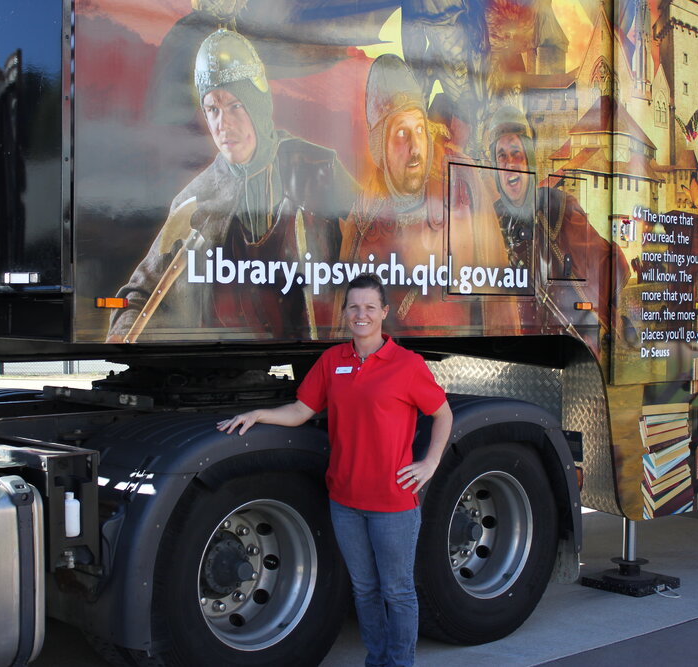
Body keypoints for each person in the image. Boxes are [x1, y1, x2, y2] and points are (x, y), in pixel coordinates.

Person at [217, 273, 453, 667]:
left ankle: (400, 663)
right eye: (354, 307)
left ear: (384, 313)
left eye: (370, 308)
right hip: (345, 500)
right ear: (345, 313)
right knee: (363, 589)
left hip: (392, 503)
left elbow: (442, 414)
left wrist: (430, 463)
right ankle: (376, 660)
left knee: (397, 592)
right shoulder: (333, 361)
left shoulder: (406, 365)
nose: (361, 315)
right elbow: (301, 411)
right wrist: (259, 413)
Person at [108, 28, 357, 342]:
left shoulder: (318, 167)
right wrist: (123, 332)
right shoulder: (195, 202)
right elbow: (139, 294)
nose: (223, 125)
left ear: (258, 106)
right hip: (223, 357)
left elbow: (376, 248)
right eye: (212, 109)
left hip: (318, 357)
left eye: (235, 106)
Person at [336, 54, 491, 336]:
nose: (416, 147)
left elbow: (497, 294)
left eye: (420, 129)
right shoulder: (364, 215)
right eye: (401, 133)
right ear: (381, 147)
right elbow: (345, 321)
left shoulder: (461, 183)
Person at [482, 105, 630, 339]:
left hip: (571, 345)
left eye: (516, 153)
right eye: (502, 156)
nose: (509, 162)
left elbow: (610, 269)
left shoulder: (558, 207)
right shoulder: (490, 221)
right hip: (516, 346)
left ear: (528, 159)